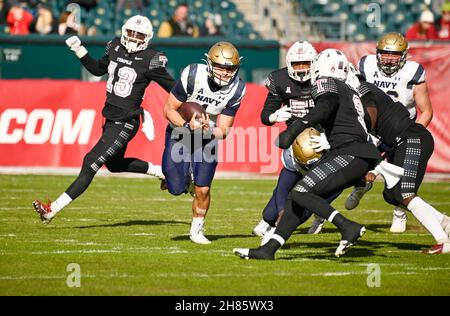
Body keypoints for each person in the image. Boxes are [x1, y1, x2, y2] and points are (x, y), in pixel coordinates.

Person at [234, 49, 381, 259]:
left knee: (300, 192)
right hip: (352, 154)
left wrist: (296, 127)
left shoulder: (326, 82)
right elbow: (361, 123)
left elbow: (325, 106)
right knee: (297, 199)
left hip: (348, 154)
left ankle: (347, 226)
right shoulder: (351, 91)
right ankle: (268, 249)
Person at [32, 15, 175, 223]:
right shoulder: (115, 46)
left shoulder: (151, 59)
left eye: (140, 35)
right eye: (132, 33)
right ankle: (162, 173)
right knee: (115, 165)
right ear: (124, 32)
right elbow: (98, 69)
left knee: (90, 161)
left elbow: (173, 88)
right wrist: (79, 50)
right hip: (110, 117)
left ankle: (51, 210)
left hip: (126, 121)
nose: (134, 38)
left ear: (148, 38)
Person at [347, 32, 434, 233]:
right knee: (354, 163)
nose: (388, 58)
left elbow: (426, 111)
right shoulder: (366, 66)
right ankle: (361, 185)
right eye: (385, 53)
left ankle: (399, 213)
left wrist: (413, 135)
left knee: (401, 177)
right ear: (377, 53)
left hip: (401, 129)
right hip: (372, 127)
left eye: (394, 54)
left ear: (404, 55)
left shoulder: (413, 72)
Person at [162, 41, 245, 244]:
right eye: (220, 67)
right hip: (179, 132)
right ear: (209, 64)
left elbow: (223, 130)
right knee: (175, 188)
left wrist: (206, 130)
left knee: (204, 189)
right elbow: (169, 110)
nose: (225, 73)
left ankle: (197, 229)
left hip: (207, 139)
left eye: (230, 69)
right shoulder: (193, 75)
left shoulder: (237, 89)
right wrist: (186, 125)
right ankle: (182, 179)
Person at [358, 77, 450, 254]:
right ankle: (446, 224)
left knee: (404, 192)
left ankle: (443, 241)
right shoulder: (360, 90)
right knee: (391, 194)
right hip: (402, 142)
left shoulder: (363, 92)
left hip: (411, 138)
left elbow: (369, 123)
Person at [252, 41, 332, 237]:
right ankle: (272, 218)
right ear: (289, 64)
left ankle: (315, 214)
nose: (302, 69)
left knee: (323, 184)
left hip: (324, 136)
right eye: (297, 64)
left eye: (306, 63)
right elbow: (266, 114)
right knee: (288, 179)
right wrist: (272, 117)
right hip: (297, 137)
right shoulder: (280, 79)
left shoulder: (325, 78)